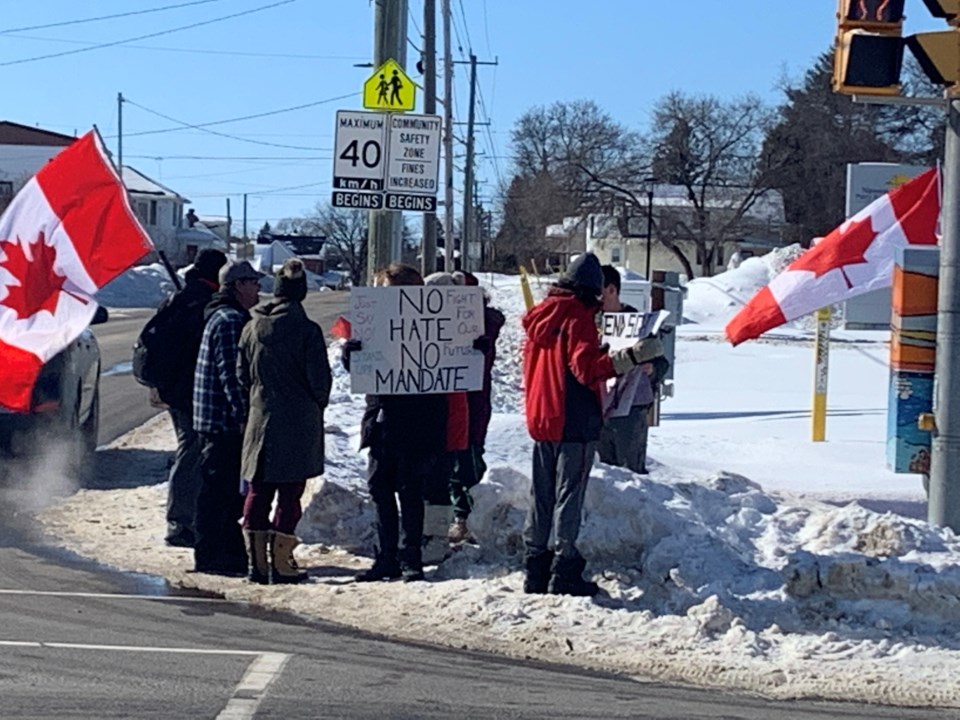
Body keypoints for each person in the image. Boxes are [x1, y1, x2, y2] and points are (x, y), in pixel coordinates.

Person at [522, 252, 664, 597]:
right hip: (574, 417)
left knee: (541, 494)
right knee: (569, 495)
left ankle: (535, 567)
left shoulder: (540, 316)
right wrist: (631, 356)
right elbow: (586, 369)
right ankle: (564, 569)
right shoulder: (578, 316)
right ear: (592, 291)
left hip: (543, 414)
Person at [343, 263, 448, 582]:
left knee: (410, 489)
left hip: (416, 422)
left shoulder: (432, 325)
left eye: (390, 292)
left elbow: (452, 362)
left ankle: (410, 556)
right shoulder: (373, 324)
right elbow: (359, 369)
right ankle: (386, 556)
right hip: (382, 420)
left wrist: (475, 349)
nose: (384, 298)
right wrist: (352, 352)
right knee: (380, 488)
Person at [238, 259, 332, 584]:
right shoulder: (307, 331)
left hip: (259, 417)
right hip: (297, 421)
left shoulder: (250, 327)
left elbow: (241, 375)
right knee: (290, 494)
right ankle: (281, 561)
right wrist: (315, 403)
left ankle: (256, 563)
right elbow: (320, 381)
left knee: (257, 490)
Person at [154, 249, 227, 548]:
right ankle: (180, 522)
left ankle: (187, 518)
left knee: (192, 450)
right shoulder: (202, 302)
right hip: (189, 391)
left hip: (176, 389)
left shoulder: (183, 297)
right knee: (192, 451)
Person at [192, 260, 261, 576]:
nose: (258, 289)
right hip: (223, 422)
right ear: (238, 286)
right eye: (253, 283)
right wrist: (244, 416)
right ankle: (211, 555)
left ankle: (224, 551)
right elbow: (232, 376)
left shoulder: (221, 315)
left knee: (220, 490)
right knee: (218, 492)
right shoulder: (232, 321)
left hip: (213, 419)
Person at [448, 271, 505, 544]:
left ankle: (467, 515)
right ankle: (452, 512)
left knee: (467, 462)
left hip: (472, 406)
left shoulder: (485, 327)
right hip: (444, 404)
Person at [598, 265, 669, 475]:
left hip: (632, 407)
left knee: (631, 473)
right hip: (599, 405)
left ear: (611, 290)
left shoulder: (637, 322)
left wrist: (651, 369)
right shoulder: (590, 321)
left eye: (599, 291)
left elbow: (662, 362)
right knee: (603, 473)